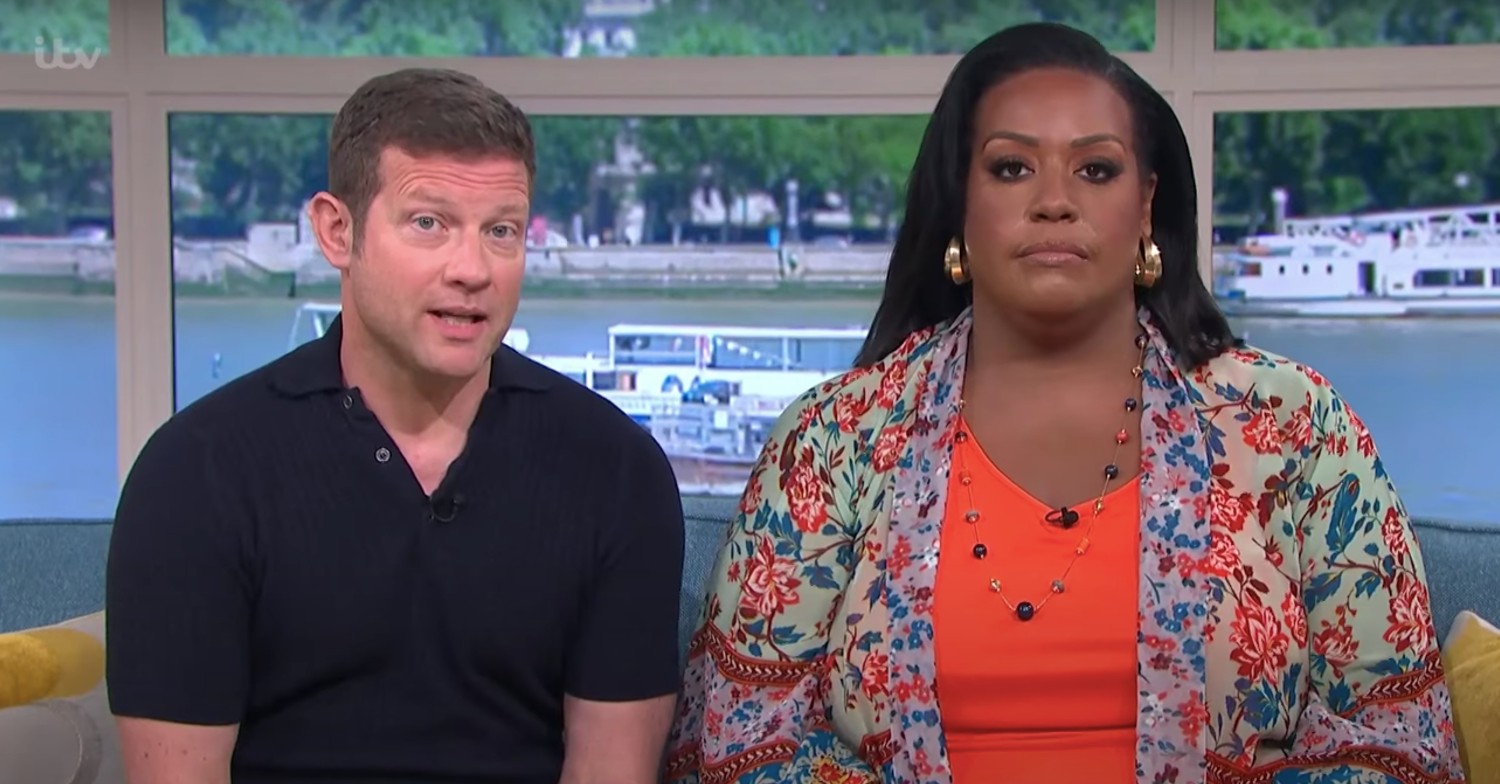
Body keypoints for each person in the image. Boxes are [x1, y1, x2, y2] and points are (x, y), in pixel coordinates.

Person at [665, 23, 1466, 784]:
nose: (1055, 201)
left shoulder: (1296, 429)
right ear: (959, 205)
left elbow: (1395, 745)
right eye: (1012, 168)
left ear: (1146, 205)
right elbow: (746, 739)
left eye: (1096, 169)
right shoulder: (833, 440)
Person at [106, 67, 685, 784]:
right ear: (336, 231)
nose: (472, 269)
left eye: (501, 231)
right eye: (429, 224)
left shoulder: (615, 470)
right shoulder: (198, 472)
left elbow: (609, 771)